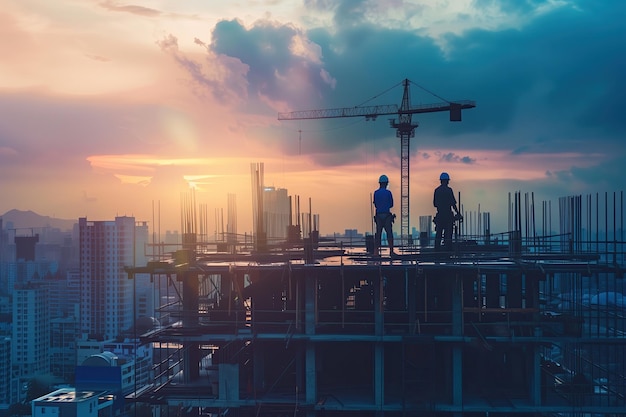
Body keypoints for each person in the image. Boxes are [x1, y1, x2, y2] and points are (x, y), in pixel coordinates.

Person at [433, 172, 460, 250]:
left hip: (440, 215)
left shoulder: (437, 190)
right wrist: (458, 213)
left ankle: (437, 250)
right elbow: (453, 204)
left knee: (438, 234)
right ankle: (448, 250)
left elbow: (434, 204)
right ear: (446, 181)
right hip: (448, 216)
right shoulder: (449, 190)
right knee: (448, 235)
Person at [373, 174, 396, 256]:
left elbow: (375, 205)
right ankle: (391, 251)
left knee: (378, 234)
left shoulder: (376, 193)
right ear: (386, 183)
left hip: (379, 216)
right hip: (386, 215)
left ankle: (376, 252)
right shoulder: (388, 193)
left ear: (380, 183)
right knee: (389, 233)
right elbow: (391, 204)